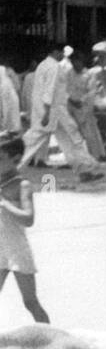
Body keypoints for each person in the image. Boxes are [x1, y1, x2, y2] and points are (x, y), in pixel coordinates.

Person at [19, 43, 102, 181]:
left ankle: (84, 169)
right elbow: (49, 90)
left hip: (53, 110)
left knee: (70, 139)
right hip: (52, 110)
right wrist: (46, 113)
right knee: (34, 141)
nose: (62, 56)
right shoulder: (54, 67)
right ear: (55, 52)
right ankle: (8, 166)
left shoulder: (43, 65)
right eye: (61, 53)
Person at [0, 130, 49, 323]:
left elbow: (29, 219)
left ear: (16, 158)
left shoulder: (22, 185)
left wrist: (5, 204)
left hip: (17, 250)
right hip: (1, 248)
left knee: (30, 302)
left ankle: (50, 338)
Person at [62, 48, 104, 162]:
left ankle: (94, 156)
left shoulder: (89, 75)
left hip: (83, 108)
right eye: (73, 61)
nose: (76, 64)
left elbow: (91, 91)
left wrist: (81, 101)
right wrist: (70, 99)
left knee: (89, 134)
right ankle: (73, 159)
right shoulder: (67, 74)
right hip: (69, 107)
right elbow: (63, 89)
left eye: (78, 61)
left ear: (82, 61)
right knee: (71, 134)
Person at [0, 55, 21, 134]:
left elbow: (15, 81)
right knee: (9, 110)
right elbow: (16, 83)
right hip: (7, 92)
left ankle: (9, 129)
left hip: (6, 92)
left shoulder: (7, 70)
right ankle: (11, 129)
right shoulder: (6, 70)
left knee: (7, 110)